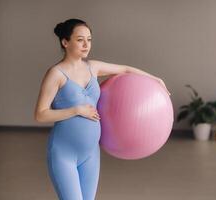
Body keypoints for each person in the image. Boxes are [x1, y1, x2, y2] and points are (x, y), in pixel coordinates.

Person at [34, 18, 170, 200]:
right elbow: (40, 114)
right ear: (65, 42)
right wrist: (77, 110)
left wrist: (155, 79)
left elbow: (126, 70)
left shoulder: (93, 67)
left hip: (91, 153)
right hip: (63, 153)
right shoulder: (56, 74)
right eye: (80, 39)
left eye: (89, 39)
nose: (86, 45)